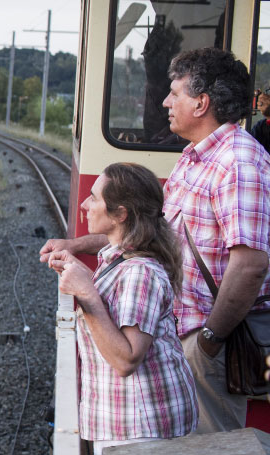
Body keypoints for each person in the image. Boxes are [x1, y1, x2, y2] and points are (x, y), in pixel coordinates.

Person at [42, 47, 270, 433]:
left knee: (210, 443)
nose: (165, 101)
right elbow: (152, 235)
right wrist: (77, 245)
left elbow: (250, 264)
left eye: (175, 93)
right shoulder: (194, 158)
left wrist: (210, 340)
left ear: (201, 103)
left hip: (208, 338)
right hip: (182, 332)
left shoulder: (239, 163)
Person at [48, 162, 197, 454]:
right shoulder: (120, 257)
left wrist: (86, 292)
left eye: (94, 198)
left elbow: (127, 359)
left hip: (144, 427)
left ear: (120, 214)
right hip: (130, 421)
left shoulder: (140, 272)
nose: (84, 204)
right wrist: (75, 270)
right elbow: (114, 306)